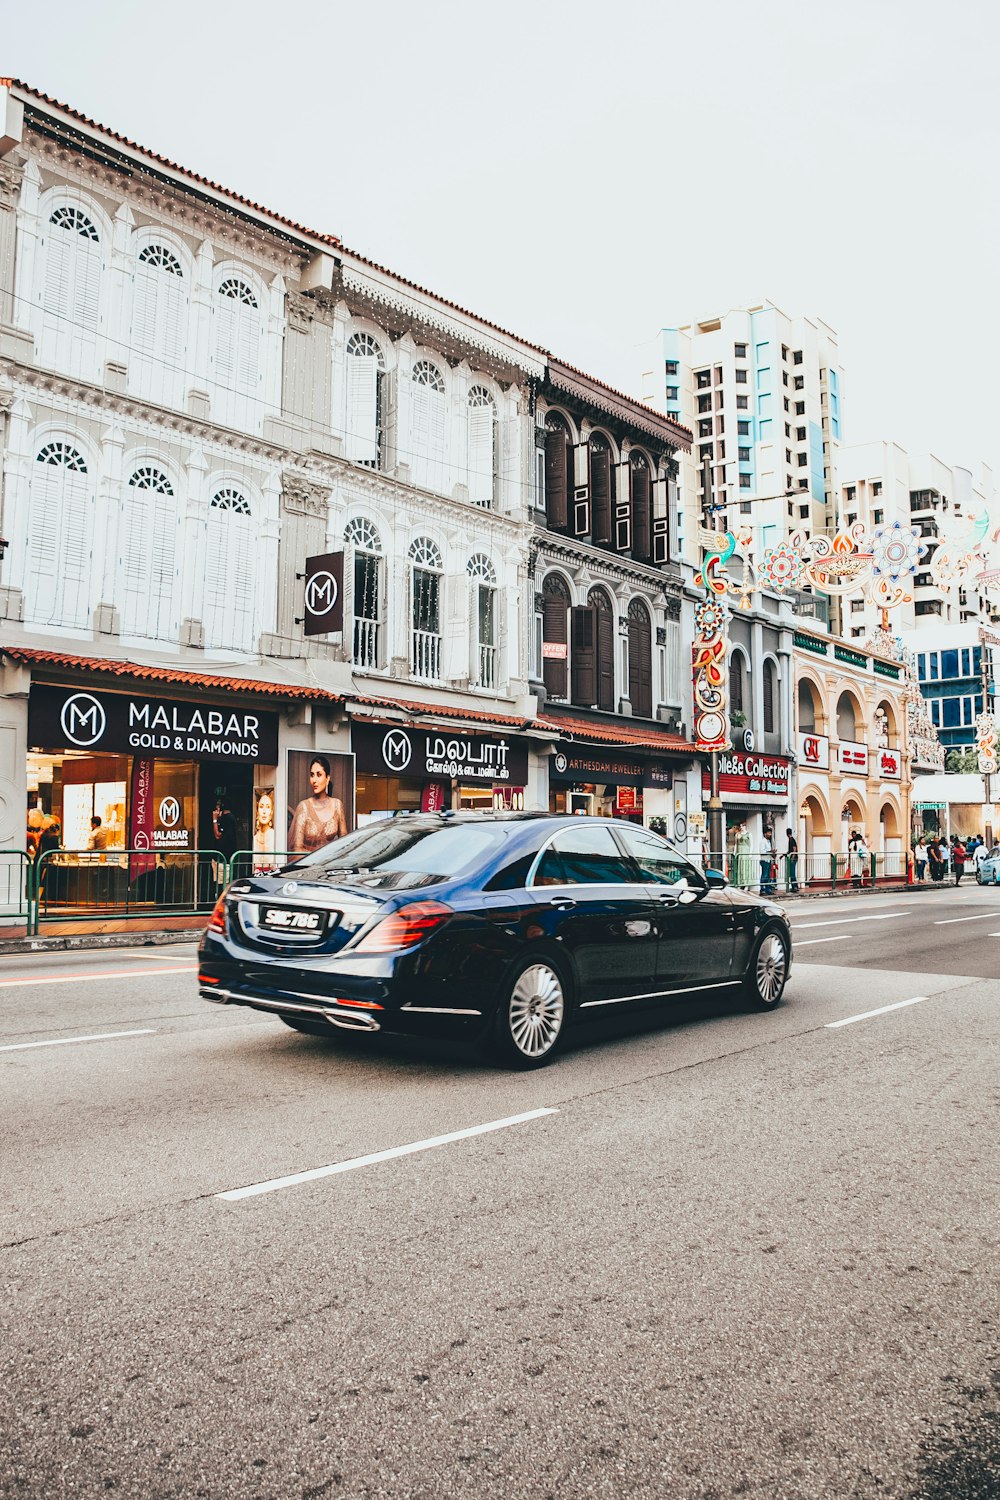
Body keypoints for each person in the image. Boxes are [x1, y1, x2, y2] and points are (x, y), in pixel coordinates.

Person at [288, 755, 348, 853]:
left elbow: (344, 843)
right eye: (312, 775)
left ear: (327, 778)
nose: (314, 780)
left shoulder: (337, 805)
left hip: (330, 864)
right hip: (309, 865)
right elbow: (297, 848)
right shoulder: (304, 807)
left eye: (319, 775)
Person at [731, 822, 752, 890]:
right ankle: (740, 883)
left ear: (745, 826)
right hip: (740, 852)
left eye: (743, 826)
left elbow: (751, 844)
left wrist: (750, 853)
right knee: (740, 868)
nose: (741, 827)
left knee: (746, 868)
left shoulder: (749, 834)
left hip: (746, 851)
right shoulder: (737, 834)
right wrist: (734, 852)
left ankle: (746, 884)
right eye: (741, 826)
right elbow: (736, 844)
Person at [759, 826, 776, 895]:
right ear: (765, 834)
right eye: (768, 833)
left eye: (770, 833)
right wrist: (770, 851)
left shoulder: (769, 841)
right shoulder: (763, 842)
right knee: (764, 875)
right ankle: (762, 889)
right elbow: (762, 851)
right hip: (764, 860)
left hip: (768, 860)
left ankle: (768, 889)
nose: (770, 834)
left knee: (768, 876)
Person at [785, 827, 799, 893]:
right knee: (791, 872)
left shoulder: (791, 840)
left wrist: (792, 858)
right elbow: (790, 850)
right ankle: (794, 886)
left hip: (793, 858)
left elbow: (794, 849)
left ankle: (795, 886)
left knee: (792, 872)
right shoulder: (791, 840)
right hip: (793, 857)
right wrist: (784, 854)